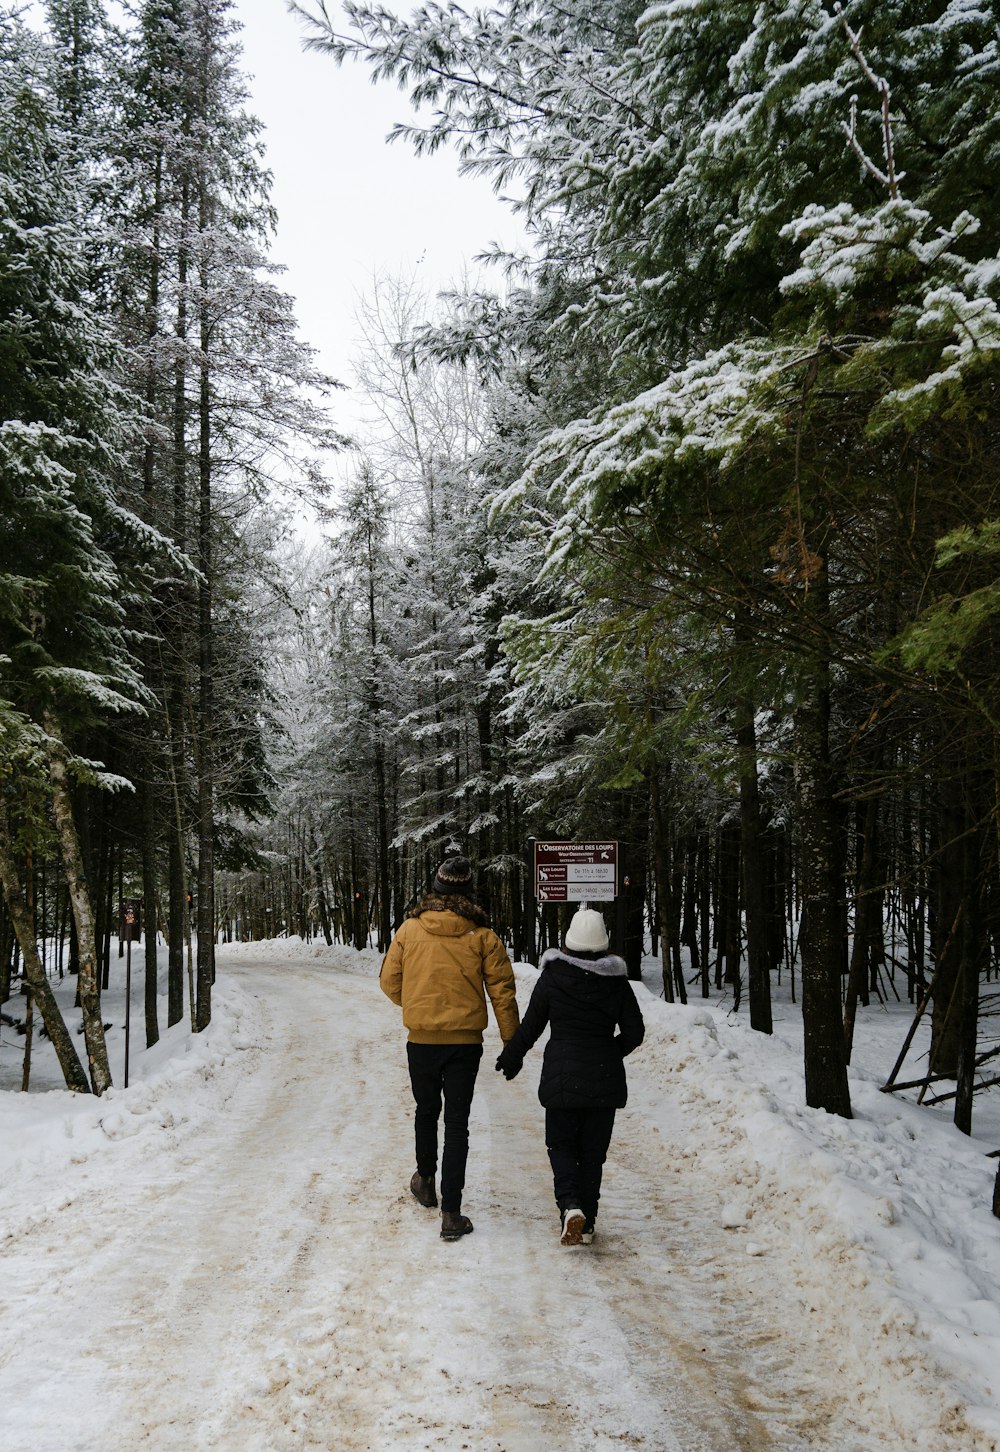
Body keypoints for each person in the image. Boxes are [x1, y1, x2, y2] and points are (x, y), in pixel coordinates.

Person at [380, 856, 520, 1241]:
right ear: (467, 892)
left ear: (436, 889)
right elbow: (502, 993)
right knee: (457, 1124)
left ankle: (425, 1181)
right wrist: (512, 1044)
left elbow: (390, 982)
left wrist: (417, 1004)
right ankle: (452, 1212)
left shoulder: (409, 930)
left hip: (421, 1040)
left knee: (426, 1111)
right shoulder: (483, 936)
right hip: (464, 1045)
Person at [496, 906, 644, 1245]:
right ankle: (587, 1221)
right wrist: (608, 1053)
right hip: (604, 1081)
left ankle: (570, 1205)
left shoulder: (553, 978)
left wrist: (511, 1056)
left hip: (561, 1077)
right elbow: (634, 1033)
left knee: (561, 1144)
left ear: (569, 942)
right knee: (593, 1153)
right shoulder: (617, 983)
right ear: (604, 943)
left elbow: (531, 1027)